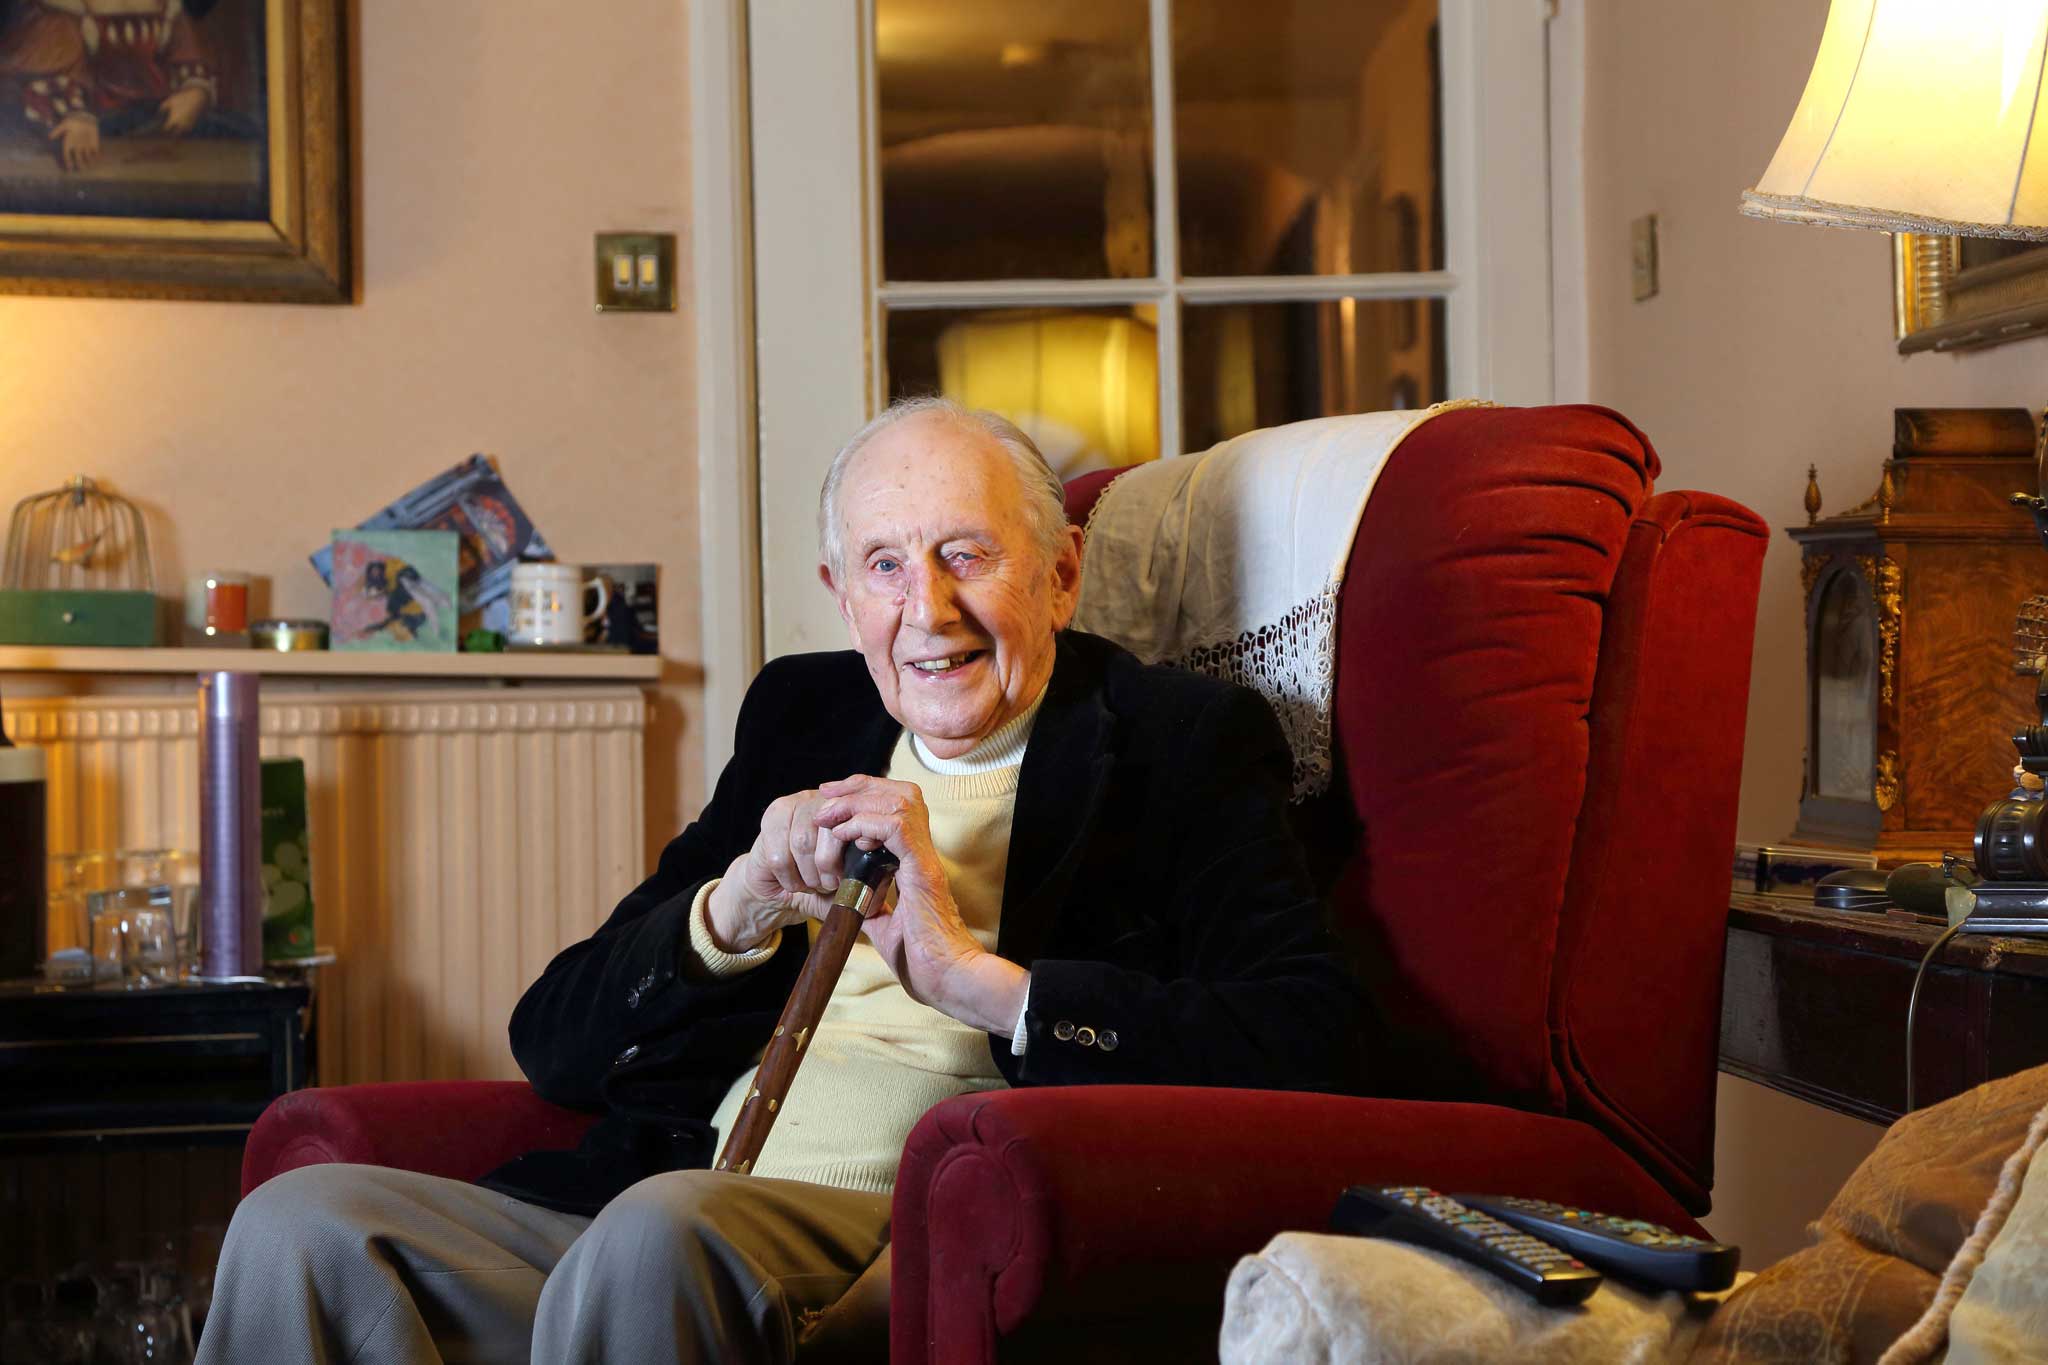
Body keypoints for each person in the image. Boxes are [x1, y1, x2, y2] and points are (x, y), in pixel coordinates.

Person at [198, 398, 1365, 1364]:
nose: (929, 609)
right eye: (885, 565)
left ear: (1058, 576)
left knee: (663, 1236)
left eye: (967, 554)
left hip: (896, 1240)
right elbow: (552, 1040)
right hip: (672, 1195)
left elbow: (1303, 1034)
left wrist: (982, 986)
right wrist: (733, 908)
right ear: (841, 589)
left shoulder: (1177, 742)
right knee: (302, 1224)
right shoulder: (804, 716)